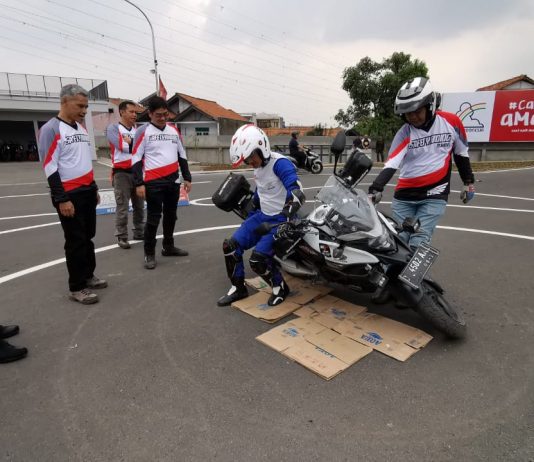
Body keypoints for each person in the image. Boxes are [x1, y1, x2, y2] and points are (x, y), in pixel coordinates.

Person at [368, 77, 475, 251]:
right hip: (404, 196)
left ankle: (413, 268)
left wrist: (468, 182)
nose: (412, 117)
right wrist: (375, 189)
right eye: (408, 113)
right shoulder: (405, 133)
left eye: (417, 111)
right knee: (398, 241)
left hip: (435, 193)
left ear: (430, 105)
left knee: (419, 239)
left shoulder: (452, 123)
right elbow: (391, 164)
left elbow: (461, 154)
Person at [217, 125, 305, 307]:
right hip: (262, 216)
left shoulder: (280, 164)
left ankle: (280, 288)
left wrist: (286, 216)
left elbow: (297, 191)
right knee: (230, 246)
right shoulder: (258, 166)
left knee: (258, 260)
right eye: (246, 160)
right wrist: (252, 207)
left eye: (251, 157)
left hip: (281, 219)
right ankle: (238, 288)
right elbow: (262, 190)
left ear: (261, 147)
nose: (250, 162)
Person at [38, 84, 107, 305]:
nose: (84, 111)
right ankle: (76, 287)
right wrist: (62, 198)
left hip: (87, 191)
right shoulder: (51, 129)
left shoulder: (81, 128)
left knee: (88, 237)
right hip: (69, 194)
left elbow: (83, 162)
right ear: (65, 102)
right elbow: (50, 167)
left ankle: (88, 275)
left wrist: (94, 187)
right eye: (80, 106)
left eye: (86, 107)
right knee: (75, 240)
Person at [132, 97, 192, 270]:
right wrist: (139, 183)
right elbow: (136, 158)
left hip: (173, 181)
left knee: (171, 216)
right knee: (153, 218)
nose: (163, 118)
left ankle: (168, 246)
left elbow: (182, 155)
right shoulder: (143, 131)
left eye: (165, 114)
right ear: (150, 114)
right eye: (158, 115)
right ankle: (149, 252)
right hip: (153, 182)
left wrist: (187, 177)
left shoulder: (174, 130)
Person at [107, 100, 145, 249]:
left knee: (139, 206)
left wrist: (131, 142)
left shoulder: (137, 130)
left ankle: (139, 231)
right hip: (121, 173)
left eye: (136, 112)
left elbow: (144, 148)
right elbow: (121, 146)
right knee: (122, 206)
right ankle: (122, 236)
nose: (134, 115)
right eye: (131, 112)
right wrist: (133, 144)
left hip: (137, 172)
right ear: (122, 112)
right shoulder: (113, 128)